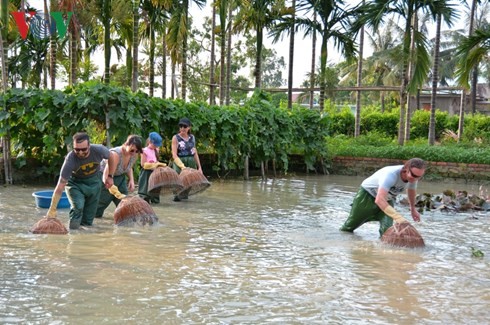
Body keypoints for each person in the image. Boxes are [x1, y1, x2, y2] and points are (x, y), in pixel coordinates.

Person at [46, 132, 116, 230]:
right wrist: (52, 209)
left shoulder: (99, 150)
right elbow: (60, 185)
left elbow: (112, 156)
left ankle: (84, 238)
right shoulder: (70, 160)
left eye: (84, 149)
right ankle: (73, 233)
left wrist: (110, 176)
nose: (80, 153)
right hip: (75, 184)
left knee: (89, 216)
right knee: (78, 206)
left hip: (94, 181)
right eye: (77, 150)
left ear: (89, 146)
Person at [340, 157, 427, 237]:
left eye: (419, 177)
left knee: (387, 231)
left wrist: (412, 208)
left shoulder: (413, 177)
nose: (415, 179)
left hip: (387, 199)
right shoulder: (391, 175)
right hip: (367, 196)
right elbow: (379, 199)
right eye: (414, 176)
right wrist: (399, 218)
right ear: (406, 169)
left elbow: (411, 191)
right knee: (348, 228)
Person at [95, 134, 143, 218]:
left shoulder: (134, 155)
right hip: (105, 176)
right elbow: (106, 172)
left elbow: (129, 167)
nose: (134, 153)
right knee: (100, 205)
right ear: (126, 144)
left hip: (120, 177)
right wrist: (107, 183)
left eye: (137, 151)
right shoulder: (116, 154)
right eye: (132, 150)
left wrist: (131, 180)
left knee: (124, 202)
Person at [171, 117, 203, 201]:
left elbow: (194, 152)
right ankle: (177, 197)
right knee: (178, 181)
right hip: (179, 161)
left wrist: (199, 167)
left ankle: (185, 197)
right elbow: (174, 155)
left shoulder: (192, 138)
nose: (182, 128)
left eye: (184, 126)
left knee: (189, 182)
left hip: (191, 161)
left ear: (189, 127)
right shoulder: (175, 138)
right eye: (180, 126)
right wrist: (182, 166)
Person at [138, 132, 164, 204]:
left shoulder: (156, 150)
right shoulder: (144, 151)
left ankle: (155, 202)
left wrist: (158, 165)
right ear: (150, 142)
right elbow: (143, 164)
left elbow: (156, 160)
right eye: (155, 145)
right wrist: (153, 165)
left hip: (154, 172)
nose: (156, 146)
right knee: (145, 191)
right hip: (146, 173)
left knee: (155, 191)